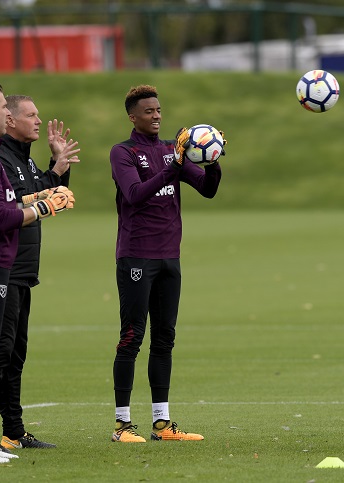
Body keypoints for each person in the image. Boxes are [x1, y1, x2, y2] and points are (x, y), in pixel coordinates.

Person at [0, 82, 75, 463]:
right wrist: (44, 207)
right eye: (6, 107)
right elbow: (1, 215)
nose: (9, 113)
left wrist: (50, 183)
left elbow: (19, 197)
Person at [109, 84, 223, 443]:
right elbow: (135, 195)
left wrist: (212, 159)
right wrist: (172, 167)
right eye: (148, 111)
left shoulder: (170, 151)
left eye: (159, 110)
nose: (156, 116)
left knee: (165, 339)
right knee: (131, 338)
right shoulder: (123, 152)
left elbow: (207, 189)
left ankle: (162, 423)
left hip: (169, 258)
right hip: (136, 256)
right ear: (133, 116)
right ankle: (122, 426)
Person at [0, 95, 81, 453]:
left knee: (16, 352)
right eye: (31, 115)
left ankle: (14, 430)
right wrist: (54, 174)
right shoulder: (1, 158)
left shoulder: (21, 158)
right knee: (0, 351)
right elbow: (19, 201)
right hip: (3, 268)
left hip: (22, 270)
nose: (39, 121)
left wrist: (58, 166)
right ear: (10, 120)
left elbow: (42, 191)